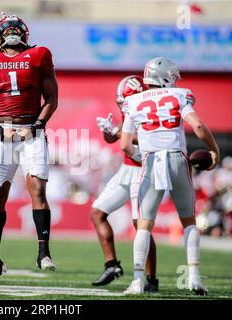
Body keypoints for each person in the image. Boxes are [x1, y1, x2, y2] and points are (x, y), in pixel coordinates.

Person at [120, 57, 220, 295]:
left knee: (144, 224)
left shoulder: (133, 102)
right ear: (164, 77)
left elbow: (125, 145)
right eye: (173, 76)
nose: (175, 80)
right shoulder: (179, 95)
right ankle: (194, 277)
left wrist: (142, 157)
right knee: (188, 221)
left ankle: (137, 281)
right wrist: (215, 149)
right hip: (177, 159)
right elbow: (197, 126)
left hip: (152, 160)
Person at [0, 13, 58, 284]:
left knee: (38, 190)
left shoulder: (40, 55)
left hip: (31, 132)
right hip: (3, 132)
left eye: (16, 27)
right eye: (7, 27)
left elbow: (52, 98)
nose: (12, 31)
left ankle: (43, 252)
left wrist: (36, 126)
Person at [90, 75, 158, 291]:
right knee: (97, 213)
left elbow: (147, 137)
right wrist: (108, 132)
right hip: (127, 168)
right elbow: (117, 138)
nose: (124, 106)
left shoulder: (151, 109)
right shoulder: (129, 107)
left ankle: (151, 279)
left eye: (126, 101)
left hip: (144, 171)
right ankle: (112, 265)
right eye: (121, 102)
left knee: (142, 227)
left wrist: (117, 132)